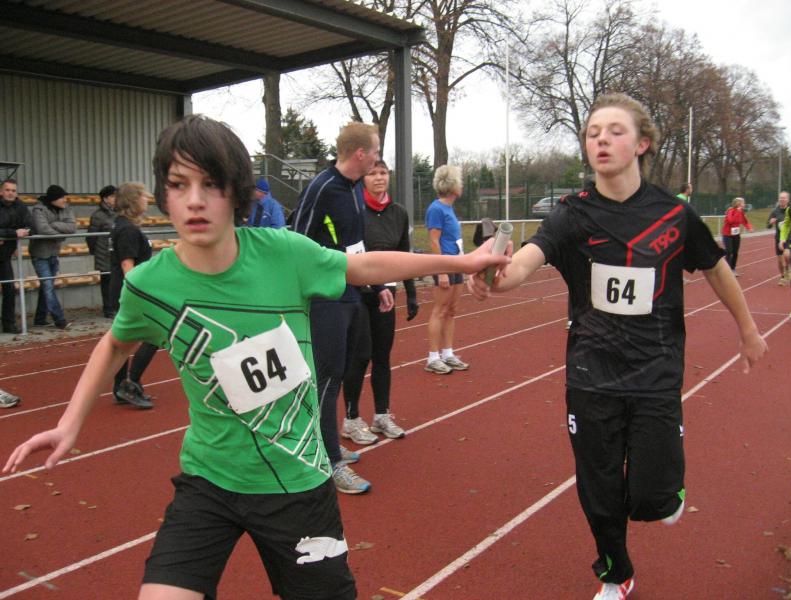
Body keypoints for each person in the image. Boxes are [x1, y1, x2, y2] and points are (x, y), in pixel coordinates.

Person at [3, 114, 507, 600]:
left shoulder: (283, 253)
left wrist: (464, 261)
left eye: (212, 184)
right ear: (163, 195)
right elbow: (116, 342)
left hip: (297, 482)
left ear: (237, 193)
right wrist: (70, 424)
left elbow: (367, 265)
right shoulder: (150, 285)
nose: (195, 200)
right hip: (209, 481)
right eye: (179, 184)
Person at [468, 92, 767, 600]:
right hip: (592, 373)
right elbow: (524, 264)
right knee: (599, 489)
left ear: (642, 144)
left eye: (615, 131)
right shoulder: (572, 215)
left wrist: (749, 330)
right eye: (593, 133)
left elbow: (717, 268)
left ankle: (664, 492)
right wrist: (493, 276)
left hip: (655, 370)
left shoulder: (674, 214)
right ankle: (616, 573)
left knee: (652, 497)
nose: (601, 139)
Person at [292, 122, 389, 493]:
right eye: (376, 151)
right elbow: (297, 239)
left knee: (349, 365)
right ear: (361, 153)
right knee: (327, 376)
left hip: (350, 292)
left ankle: (328, 443)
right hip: (324, 297)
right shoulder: (322, 187)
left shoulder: (352, 189)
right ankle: (328, 460)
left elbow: (355, 245)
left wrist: (377, 285)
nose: (378, 158)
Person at [341, 159, 419, 443]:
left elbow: (405, 255)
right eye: (372, 173)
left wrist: (411, 292)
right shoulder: (355, 211)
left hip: (387, 294)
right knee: (360, 355)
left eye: (383, 173)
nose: (378, 178)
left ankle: (381, 415)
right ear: (363, 179)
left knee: (382, 356)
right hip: (359, 293)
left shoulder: (398, 213)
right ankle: (351, 419)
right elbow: (352, 253)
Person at [109, 182, 158, 409]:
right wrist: (140, 294)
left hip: (125, 290)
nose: (147, 200)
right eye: (144, 197)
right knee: (154, 335)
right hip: (130, 292)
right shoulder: (127, 229)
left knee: (125, 340)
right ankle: (130, 383)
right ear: (133, 201)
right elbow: (127, 266)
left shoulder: (123, 225)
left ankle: (122, 386)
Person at [424, 165, 469, 375]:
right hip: (445, 265)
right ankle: (433, 357)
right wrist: (441, 271)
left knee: (452, 310)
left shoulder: (449, 209)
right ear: (452, 186)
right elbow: (434, 240)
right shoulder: (436, 209)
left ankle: (448, 353)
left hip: (456, 263)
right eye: (459, 182)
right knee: (440, 310)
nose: (462, 186)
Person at [29, 184, 75, 329]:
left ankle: (40, 318)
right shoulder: (39, 209)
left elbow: (72, 227)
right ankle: (59, 320)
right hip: (40, 254)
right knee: (48, 286)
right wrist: (60, 234)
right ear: (54, 199)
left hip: (54, 253)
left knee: (46, 286)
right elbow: (42, 229)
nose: (65, 200)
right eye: (62, 197)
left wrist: (54, 225)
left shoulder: (66, 208)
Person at [0, 178, 32, 334]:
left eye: (13, 190)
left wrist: (20, 233)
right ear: (1, 191)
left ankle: (9, 324)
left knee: (9, 289)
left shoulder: (21, 207)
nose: (10, 193)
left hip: (4, 256)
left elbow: (30, 226)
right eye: (7, 190)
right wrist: (13, 233)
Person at [87, 185, 117, 317]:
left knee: (117, 280)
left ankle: (117, 306)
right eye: (113, 196)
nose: (116, 199)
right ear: (105, 199)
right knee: (107, 281)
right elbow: (91, 236)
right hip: (103, 252)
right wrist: (95, 251)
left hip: (116, 251)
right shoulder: (98, 215)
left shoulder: (120, 212)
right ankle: (108, 308)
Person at [721, 197, 752, 276]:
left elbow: (744, 221)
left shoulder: (741, 212)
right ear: (738, 204)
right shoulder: (730, 211)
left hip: (736, 235)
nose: (744, 204)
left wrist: (749, 228)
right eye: (743, 203)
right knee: (729, 251)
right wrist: (737, 212)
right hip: (727, 234)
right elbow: (731, 221)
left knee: (735, 252)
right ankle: (727, 269)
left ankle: (733, 268)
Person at [768, 191, 791, 284]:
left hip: (789, 237)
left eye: (784, 198)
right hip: (778, 238)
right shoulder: (774, 211)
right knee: (780, 260)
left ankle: (788, 269)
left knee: (787, 255)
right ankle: (782, 276)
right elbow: (768, 225)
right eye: (781, 198)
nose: (782, 199)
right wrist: (771, 223)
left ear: (788, 199)